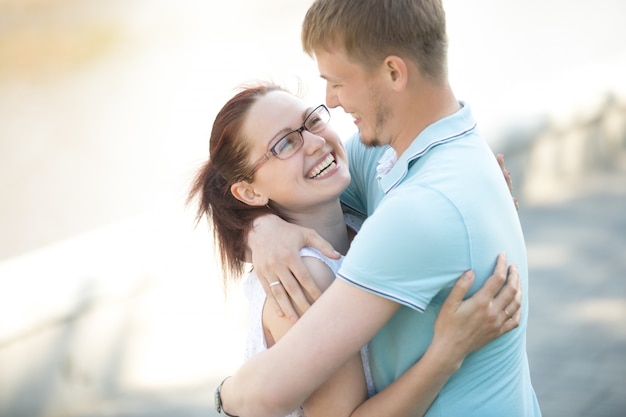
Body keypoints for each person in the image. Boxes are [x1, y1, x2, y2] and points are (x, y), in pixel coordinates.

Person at [218, 0, 542, 416]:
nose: (330, 100)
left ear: (393, 72)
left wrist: (222, 395)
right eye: (286, 141)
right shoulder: (414, 155)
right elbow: (279, 189)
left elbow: (268, 394)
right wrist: (260, 228)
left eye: (337, 81)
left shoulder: (418, 212)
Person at [190, 83, 522, 417]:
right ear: (249, 193)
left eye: (313, 121)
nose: (316, 143)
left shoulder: (357, 221)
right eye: (286, 143)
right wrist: (447, 353)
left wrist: (478, 204)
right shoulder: (303, 276)